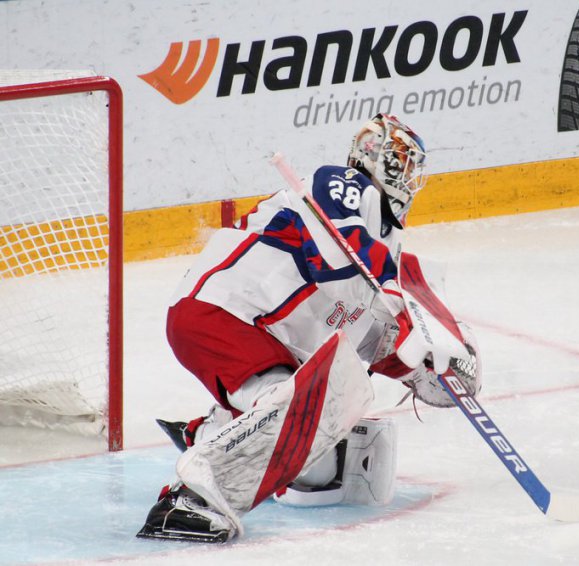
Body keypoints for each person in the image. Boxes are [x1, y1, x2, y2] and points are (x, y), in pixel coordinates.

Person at [137, 114, 482, 543]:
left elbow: (369, 332)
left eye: (413, 168)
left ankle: (213, 432)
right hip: (221, 312)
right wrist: (399, 304)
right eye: (402, 163)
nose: (408, 178)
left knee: (317, 468)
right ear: (375, 158)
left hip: (267, 337)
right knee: (299, 414)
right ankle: (187, 501)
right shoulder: (341, 184)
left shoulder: (385, 247)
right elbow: (337, 258)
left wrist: (423, 365)